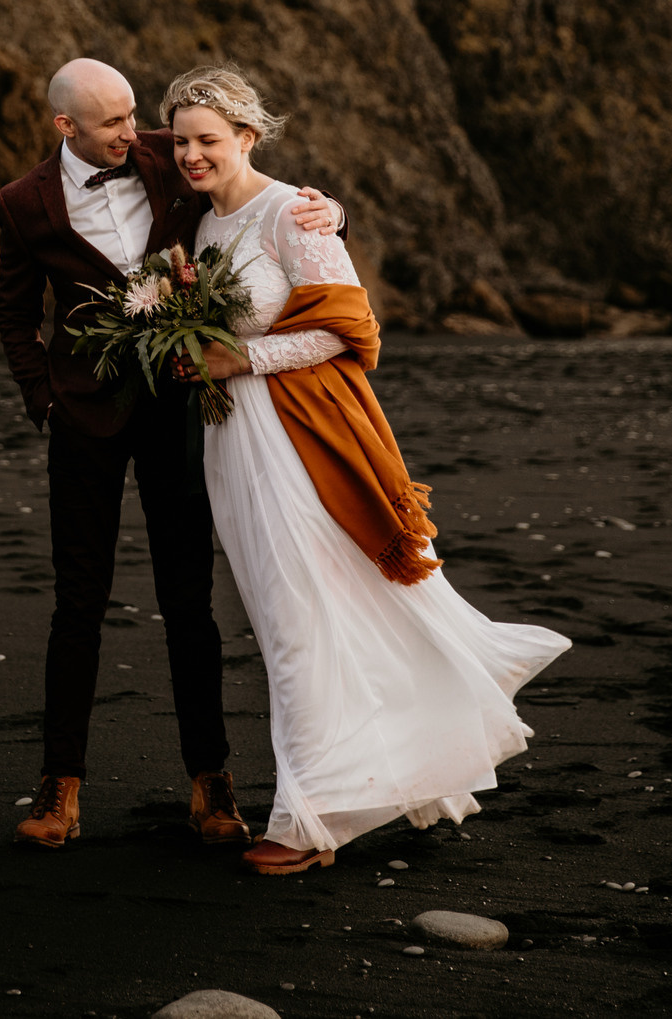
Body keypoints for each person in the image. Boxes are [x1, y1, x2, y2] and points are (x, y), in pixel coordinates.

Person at [162, 64, 570, 874]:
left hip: (298, 444)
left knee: (295, 624)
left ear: (248, 136)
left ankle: (306, 816)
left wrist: (238, 354)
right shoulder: (202, 227)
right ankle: (346, 783)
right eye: (180, 141)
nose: (192, 155)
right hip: (231, 444)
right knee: (288, 618)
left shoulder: (295, 213)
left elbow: (352, 329)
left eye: (209, 139)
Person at [0, 57, 344, 850]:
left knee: (189, 601)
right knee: (76, 600)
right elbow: (15, 313)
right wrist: (42, 396)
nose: (133, 132)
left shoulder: (170, 155)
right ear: (66, 127)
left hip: (180, 407)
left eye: (131, 116)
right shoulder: (22, 204)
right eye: (114, 121)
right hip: (83, 418)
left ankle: (210, 780)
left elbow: (249, 187)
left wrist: (332, 211)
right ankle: (60, 786)